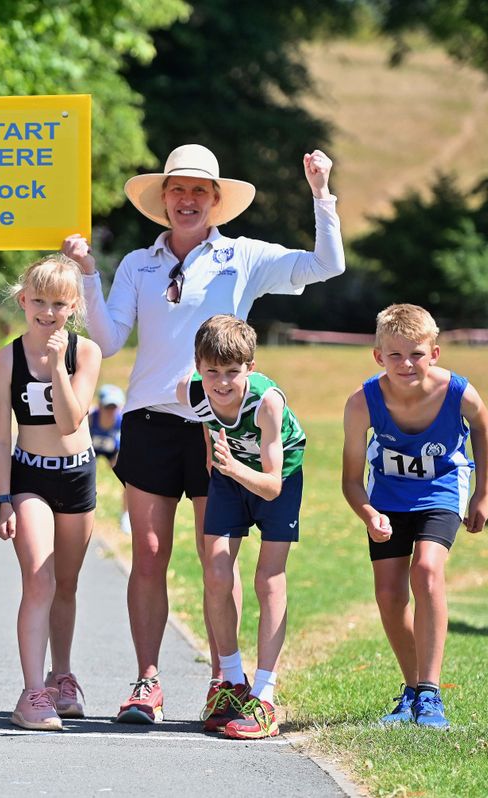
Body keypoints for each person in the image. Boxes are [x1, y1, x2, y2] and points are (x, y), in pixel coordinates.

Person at [61, 143, 344, 723]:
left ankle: (227, 679)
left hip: (224, 426)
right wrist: (88, 275)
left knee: (218, 557)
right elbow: (110, 341)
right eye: (177, 189)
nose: (187, 200)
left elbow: (326, 265)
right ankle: (147, 682)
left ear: (216, 200)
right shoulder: (139, 263)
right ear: (161, 198)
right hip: (149, 421)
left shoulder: (244, 257)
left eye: (199, 191)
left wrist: (321, 194)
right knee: (149, 553)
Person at [341, 304, 488, 729]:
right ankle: (412, 692)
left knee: (426, 571)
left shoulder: (458, 392)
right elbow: (351, 480)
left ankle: (431, 693)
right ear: (378, 356)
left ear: (436, 353)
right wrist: (369, 514)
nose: (406, 364)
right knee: (389, 595)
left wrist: (481, 493)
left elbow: (482, 425)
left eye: (417, 354)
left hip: (442, 490)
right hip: (387, 498)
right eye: (395, 355)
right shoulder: (362, 403)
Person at [176, 315, 306, 739]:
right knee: (215, 571)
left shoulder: (267, 403)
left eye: (233, 372)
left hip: (276, 478)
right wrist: (217, 462)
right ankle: (231, 683)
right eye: (212, 371)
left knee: (268, 579)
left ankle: (266, 694)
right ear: (198, 366)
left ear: (250, 367)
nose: (222, 382)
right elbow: (206, 424)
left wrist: (231, 466)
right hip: (230, 476)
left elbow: (271, 486)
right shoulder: (190, 391)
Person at [0, 254, 102, 731]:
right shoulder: (4, 359)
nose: (48, 311)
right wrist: (3, 499)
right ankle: (32, 693)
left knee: (67, 584)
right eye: (38, 300)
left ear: (73, 306)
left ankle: (62, 676)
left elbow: (71, 420)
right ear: (22, 300)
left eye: (59, 303)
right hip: (29, 475)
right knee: (40, 579)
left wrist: (57, 365)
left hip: (76, 474)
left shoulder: (86, 353)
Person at [89, 384, 128, 533]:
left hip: (113, 449)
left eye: (114, 407)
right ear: (99, 405)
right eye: (107, 407)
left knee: (128, 479)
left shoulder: (122, 419)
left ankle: (125, 516)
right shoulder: (91, 418)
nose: (110, 411)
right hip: (92, 448)